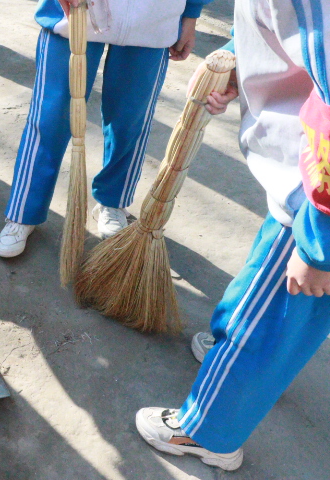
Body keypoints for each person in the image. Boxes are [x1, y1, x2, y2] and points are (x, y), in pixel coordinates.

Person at [136, 0, 330, 471]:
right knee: (273, 308)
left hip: (314, 191)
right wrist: (238, 58)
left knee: (270, 315)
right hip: (306, 178)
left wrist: (319, 239)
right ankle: (244, 366)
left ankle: (207, 431)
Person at [0, 0, 213, 258]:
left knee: (130, 120)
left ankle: (113, 201)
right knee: (52, 115)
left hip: (153, 18)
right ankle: (24, 212)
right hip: (75, 11)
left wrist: (191, 13)